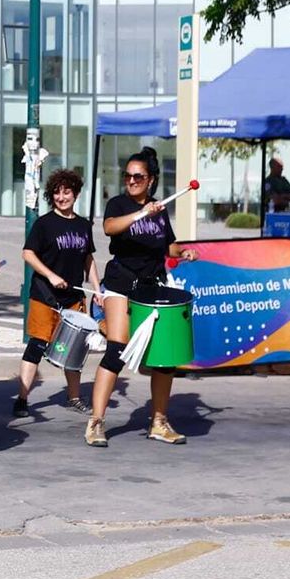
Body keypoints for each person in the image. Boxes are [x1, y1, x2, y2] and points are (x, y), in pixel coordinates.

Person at [87, 147, 200, 448]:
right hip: (121, 283)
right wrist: (140, 213)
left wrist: (184, 253)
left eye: (138, 177)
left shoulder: (159, 209)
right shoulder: (119, 204)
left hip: (152, 287)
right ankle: (96, 422)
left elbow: (169, 247)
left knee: (164, 361)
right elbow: (110, 227)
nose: (132, 181)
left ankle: (159, 422)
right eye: (128, 176)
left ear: (150, 180)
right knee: (117, 350)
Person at [13, 168, 99, 419]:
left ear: (76, 193)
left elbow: (88, 259)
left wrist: (97, 287)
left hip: (73, 297)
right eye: (57, 193)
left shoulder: (84, 225)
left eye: (67, 192)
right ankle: (22, 399)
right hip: (45, 296)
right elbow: (28, 253)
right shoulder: (44, 224)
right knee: (36, 346)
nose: (62, 197)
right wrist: (50, 275)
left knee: (75, 350)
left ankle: (74, 397)